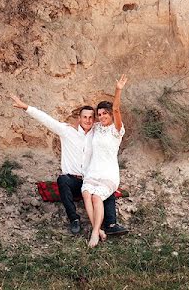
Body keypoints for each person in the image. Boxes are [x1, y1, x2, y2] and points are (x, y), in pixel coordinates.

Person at [9, 93, 127, 236]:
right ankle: (74, 219)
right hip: (73, 181)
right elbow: (47, 120)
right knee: (62, 180)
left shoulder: (97, 132)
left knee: (105, 188)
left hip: (91, 178)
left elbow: (109, 122)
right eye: (85, 117)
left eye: (91, 117)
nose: (88, 120)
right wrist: (26, 107)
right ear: (79, 118)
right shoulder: (67, 131)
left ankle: (110, 224)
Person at [82, 74, 127, 247]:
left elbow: (116, 109)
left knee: (96, 198)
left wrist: (118, 90)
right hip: (93, 170)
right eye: (99, 114)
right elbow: (83, 123)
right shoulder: (97, 127)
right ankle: (99, 229)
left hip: (108, 172)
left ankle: (94, 233)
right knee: (87, 194)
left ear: (110, 114)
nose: (101, 117)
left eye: (104, 113)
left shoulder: (117, 130)